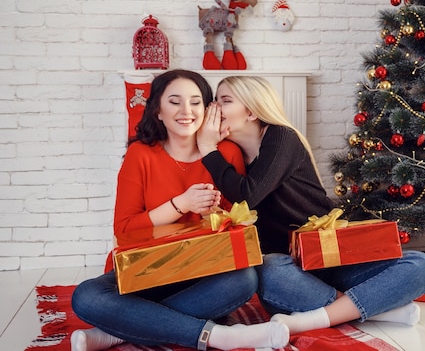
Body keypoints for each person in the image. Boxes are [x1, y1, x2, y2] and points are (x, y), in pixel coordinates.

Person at [197, 75, 425, 335]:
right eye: (214, 101)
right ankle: (377, 309)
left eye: (225, 101)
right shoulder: (230, 154)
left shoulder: (280, 137)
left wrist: (208, 148)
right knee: (268, 269)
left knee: (420, 265)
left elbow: (248, 195)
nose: (214, 109)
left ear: (252, 110)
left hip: (333, 259)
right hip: (293, 272)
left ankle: (316, 318)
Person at [70, 70, 289, 351]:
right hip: (146, 273)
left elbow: (238, 229)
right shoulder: (141, 154)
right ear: (158, 111)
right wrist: (180, 205)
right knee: (86, 296)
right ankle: (219, 336)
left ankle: (119, 331)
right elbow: (124, 230)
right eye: (175, 102)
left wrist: (215, 213)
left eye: (196, 102)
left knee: (244, 278)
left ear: (208, 109)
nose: (186, 111)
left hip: (202, 272)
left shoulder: (227, 153)